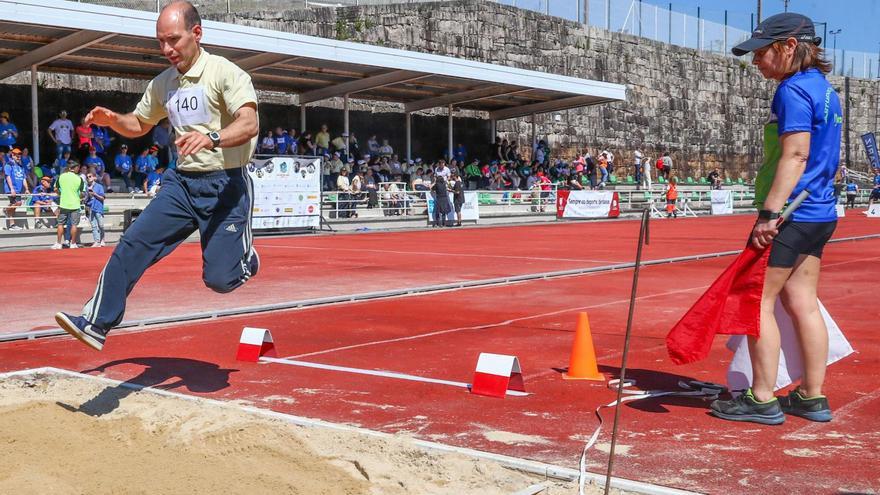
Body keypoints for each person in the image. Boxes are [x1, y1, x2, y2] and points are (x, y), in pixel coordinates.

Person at [55, 0, 260, 351]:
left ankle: (246, 259)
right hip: (180, 183)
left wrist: (211, 137)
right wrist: (113, 120)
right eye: (160, 42)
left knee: (220, 280)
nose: (167, 49)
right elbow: (139, 123)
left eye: (174, 40)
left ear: (197, 33)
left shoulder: (226, 74)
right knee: (134, 242)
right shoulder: (164, 83)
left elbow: (248, 122)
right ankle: (95, 322)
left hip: (226, 185)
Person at [710, 13, 842, 425]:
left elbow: (797, 154)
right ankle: (811, 396)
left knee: (756, 302)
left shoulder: (792, 90)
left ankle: (762, 397)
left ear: (788, 46)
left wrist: (770, 214)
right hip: (821, 211)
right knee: (803, 303)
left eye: (761, 52)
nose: (756, 62)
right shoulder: (826, 91)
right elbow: (828, 159)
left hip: (791, 214)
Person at [52, 160, 84, 249]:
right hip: (75, 204)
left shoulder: (61, 177)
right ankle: (73, 243)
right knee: (74, 224)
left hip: (64, 204)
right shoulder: (79, 178)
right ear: (75, 168)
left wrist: (61, 194)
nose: (78, 169)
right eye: (77, 168)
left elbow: (55, 189)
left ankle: (58, 243)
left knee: (60, 223)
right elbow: (83, 193)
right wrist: (78, 197)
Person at [4, 147, 29, 230]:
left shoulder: (21, 167)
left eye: (19, 155)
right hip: (11, 189)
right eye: (16, 155)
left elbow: (24, 179)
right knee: (18, 203)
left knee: (15, 205)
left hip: (18, 190)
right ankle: (7, 211)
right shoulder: (8, 164)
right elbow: (8, 177)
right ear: (12, 155)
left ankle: (11, 223)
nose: (18, 157)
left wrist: (27, 189)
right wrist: (11, 189)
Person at [86, 171, 106, 247]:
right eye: (87, 177)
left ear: (94, 177)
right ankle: (96, 241)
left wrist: (94, 194)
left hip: (98, 208)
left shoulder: (99, 186)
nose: (88, 178)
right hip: (90, 208)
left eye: (90, 176)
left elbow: (102, 198)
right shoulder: (86, 187)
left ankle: (102, 240)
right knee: (93, 226)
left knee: (101, 225)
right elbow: (86, 199)